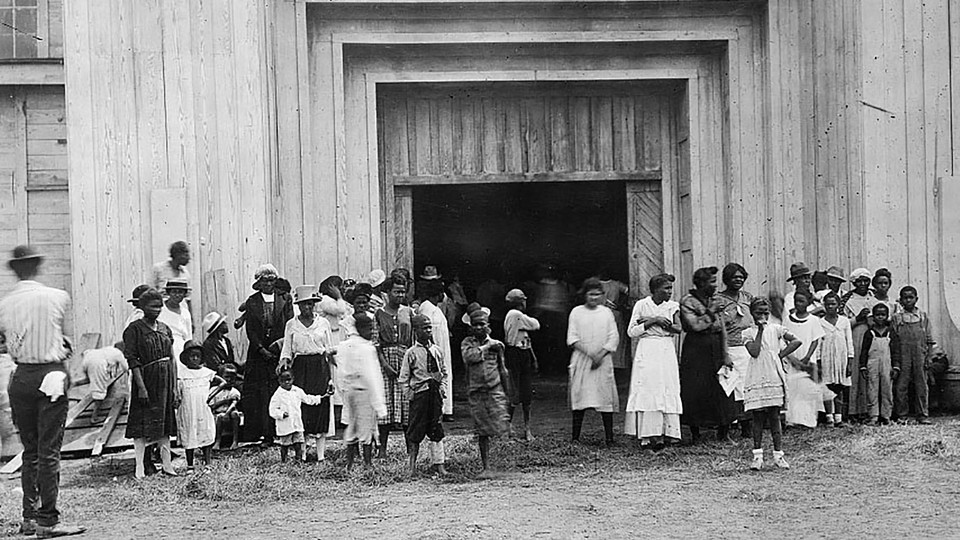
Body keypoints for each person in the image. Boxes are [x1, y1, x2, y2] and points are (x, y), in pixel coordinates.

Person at [0, 245, 86, 537]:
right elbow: (66, 343)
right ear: (37, 267)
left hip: (21, 375)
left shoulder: (5, 303)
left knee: (31, 451)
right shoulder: (57, 297)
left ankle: (29, 517)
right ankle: (48, 520)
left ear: (15, 270)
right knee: (49, 451)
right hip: (50, 373)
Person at [123, 288, 179, 479]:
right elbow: (133, 360)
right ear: (142, 307)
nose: (157, 310)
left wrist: (175, 387)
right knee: (142, 424)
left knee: (164, 423)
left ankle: (167, 465)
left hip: (165, 380)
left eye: (159, 306)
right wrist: (141, 387)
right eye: (152, 306)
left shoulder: (164, 328)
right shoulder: (134, 329)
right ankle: (139, 467)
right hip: (146, 378)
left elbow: (172, 358)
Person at [742, 297, 802, 470]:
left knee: (774, 416)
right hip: (757, 375)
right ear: (752, 313)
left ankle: (778, 455)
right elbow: (754, 352)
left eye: (765, 312)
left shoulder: (776, 329)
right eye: (758, 312)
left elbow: (796, 341)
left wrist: (780, 355)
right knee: (758, 417)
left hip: (773, 374)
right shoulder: (747, 332)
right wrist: (760, 330)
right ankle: (757, 456)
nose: (762, 316)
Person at [624, 273, 682, 448]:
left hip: (665, 348)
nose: (670, 292)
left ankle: (670, 433)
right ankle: (649, 435)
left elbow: (678, 328)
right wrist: (652, 321)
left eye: (671, 288)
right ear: (655, 289)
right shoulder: (642, 305)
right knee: (649, 388)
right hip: (647, 349)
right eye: (666, 288)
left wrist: (662, 323)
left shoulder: (672, 306)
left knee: (667, 386)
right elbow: (631, 332)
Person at [679, 267, 737, 444]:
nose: (715, 285)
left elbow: (723, 328)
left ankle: (724, 432)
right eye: (712, 282)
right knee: (695, 388)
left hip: (716, 345)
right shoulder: (687, 302)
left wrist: (726, 353)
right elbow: (695, 326)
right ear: (701, 283)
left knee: (722, 387)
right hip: (696, 348)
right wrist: (710, 310)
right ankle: (696, 434)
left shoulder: (716, 299)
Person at [279, 285, 336, 461]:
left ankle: (320, 456)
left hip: (319, 367)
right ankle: (302, 454)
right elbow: (287, 351)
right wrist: (284, 362)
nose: (307, 308)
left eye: (311, 304)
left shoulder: (323, 323)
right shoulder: (292, 324)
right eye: (304, 304)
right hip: (300, 367)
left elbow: (329, 352)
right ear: (299, 305)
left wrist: (331, 379)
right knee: (300, 408)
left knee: (320, 406)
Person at [241, 264, 293, 445]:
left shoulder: (285, 299)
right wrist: (261, 349)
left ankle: (284, 432)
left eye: (272, 280)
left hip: (279, 350)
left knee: (280, 390)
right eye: (265, 280)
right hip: (258, 353)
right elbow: (251, 331)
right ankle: (266, 434)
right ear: (259, 282)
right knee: (261, 394)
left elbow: (290, 325)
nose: (269, 283)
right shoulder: (252, 301)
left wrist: (279, 346)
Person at [567, 278, 620, 446]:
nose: (594, 298)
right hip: (583, 359)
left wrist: (601, 354)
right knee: (580, 397)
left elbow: (613, 336)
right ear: (584, 294)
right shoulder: (576, 312)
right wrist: (590, 354)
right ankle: (575, 438)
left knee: (604, 397)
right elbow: (572, 337)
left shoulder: (606, 312)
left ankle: (609, 438)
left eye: (598, 295)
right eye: (591, 294)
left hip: (603, 361)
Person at [461, 303, 511, 476]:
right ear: (471, 327)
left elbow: (503, 368)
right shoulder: (467, 343)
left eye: (483, 324)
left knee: (500, 425)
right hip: (476, 391)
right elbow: (469, 357)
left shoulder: (497, 345)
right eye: (476, 324)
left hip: (494, 389)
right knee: (482, 430)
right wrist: (486, 347)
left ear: (488, 326)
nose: (479, 327)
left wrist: (507, 391)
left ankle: (504, 465)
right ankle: (486, 466)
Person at [337, 312, 387, 470]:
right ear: (361, 328)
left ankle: (350, 464)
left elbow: (339, 369)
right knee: (366, 427)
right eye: (370, 329)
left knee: (352, 425)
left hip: (350, 391)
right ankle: (367, 464)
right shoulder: (367, 349)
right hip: (364, 390)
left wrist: (343, 389)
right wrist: (379, 404)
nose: (372, 333)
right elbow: (373, 377)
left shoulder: (346, 345)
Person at [399, 314, 447, 476]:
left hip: (435, 394)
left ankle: (439, 465)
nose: (428, 331)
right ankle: (412, 467)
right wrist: (410, 394)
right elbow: (403, 378)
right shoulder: (411, 353)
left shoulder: (437, 350)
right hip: (420, 395)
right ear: (416, 330)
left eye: (429, 327)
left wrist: (442, 389)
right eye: (424, 328)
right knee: (415, 430)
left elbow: (444, 372)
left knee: (436, 429)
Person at [374, 275, 414, 458]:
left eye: (403, 292)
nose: (400, 295)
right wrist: (385, 365)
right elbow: (375, 343)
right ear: (387, 292)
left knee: (407, 406)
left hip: (406, 359)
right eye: (396, 291)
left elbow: (414, 339)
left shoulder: (409, 312)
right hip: (386, 361)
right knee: (386, 407)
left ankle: (410, 449)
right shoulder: (379, 313)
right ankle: (382, 450)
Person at [891, 286, 942, 424]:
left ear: (916, 299)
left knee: (922, 385)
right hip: (903, 356)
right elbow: (894, 340)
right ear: (901, 300)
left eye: (911, 297)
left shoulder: (923, 316)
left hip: (920, 355)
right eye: (905, 298)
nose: (908, 300)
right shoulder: (897, 318)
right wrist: (896, 361)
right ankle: (902, 415)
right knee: (902, 385)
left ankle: (922, 414)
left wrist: (929, 357)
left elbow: (929, 340)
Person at [715, 263, 755, 436]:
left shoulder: (747, 297)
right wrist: (724, 353)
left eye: (741, 277)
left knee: (746, 387)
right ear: (726, 279)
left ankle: (746, 426)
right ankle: (725, 428)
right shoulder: (718, 299)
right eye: (734, 277)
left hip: (745, 348)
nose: (738, 280)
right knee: (728, 386)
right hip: (728, 348)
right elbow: (718, 326)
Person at [782, 289, 828, 428]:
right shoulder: (787, 320)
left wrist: (807, 357)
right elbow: (784, 339)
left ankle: (808, 420)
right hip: (792, 359)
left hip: (807, 359)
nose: (798, 304)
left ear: (808, 303)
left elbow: (815, 340)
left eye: (802, 301)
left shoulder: (813, 320)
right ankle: (792, 420)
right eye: (796, 301)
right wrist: (792, 358)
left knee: (807, 389)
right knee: (793, 388)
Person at [176, 340, 220, 472]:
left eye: (198, 356)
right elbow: (177, 391)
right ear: (186, 358)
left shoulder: (207, 372)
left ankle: (207, 463)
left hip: (203, 408)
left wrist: (211, 397)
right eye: (192, 356)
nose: (195, 359)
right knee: (189, 434)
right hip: (188, 409)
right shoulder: (181, 374)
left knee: (205, 432)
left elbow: (223, 382)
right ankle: (190, 465)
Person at [503, 288, 540, 441]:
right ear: (520, 302)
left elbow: (526, 337)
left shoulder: (517, 317)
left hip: (522, 352)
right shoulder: (516, 315)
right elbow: (535, 324)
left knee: (525, 392)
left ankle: (526, 429)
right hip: (515, 353)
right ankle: (508, 428)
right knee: (514, 392)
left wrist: (533, 357)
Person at [842, 268, 878, 421]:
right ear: (854, 283)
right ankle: (853, 411)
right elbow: (841, 324)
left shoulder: (873, 299)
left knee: (869, 371)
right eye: (859, 281)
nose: (863, 284)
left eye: (866, 281)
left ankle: (867, 410)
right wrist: (857, 318)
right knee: (856, 372)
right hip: (856, 335)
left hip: (872, 336)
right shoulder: (848, 300)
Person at [269, 370, 328, 463]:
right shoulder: (278, 395)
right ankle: (283, 461)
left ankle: (299, 460)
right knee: (285, 444)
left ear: (293, 379)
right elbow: (272, 410)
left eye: (289, 379)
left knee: (298, 443)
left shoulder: (297, 391)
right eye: (283, 380)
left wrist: (321, 397)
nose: (287, 382)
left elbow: (307, 399)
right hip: (285, 424)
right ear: (279, 381)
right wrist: (281, 414)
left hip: (296, 423)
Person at [417, 279, 454, 421]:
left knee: (444, 374)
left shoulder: (435, 308)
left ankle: (445, 409)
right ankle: (438, 410)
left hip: (442, 348)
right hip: (434, 348)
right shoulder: (426, 308)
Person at [859, 303, 899, 425]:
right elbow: (864, 351)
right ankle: (873, 416)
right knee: (872, 389)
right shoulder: (869, 333)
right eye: (877, 315)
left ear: (887, 316)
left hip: (887, 364)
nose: (880, 317)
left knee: (887, 389)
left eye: (883, 315)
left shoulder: (890, 332)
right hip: (872, 364)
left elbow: (896, 351)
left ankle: (886, 415)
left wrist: (896, 366)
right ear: (873, 317)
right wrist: (863, 366)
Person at [818, 292, 854, 425]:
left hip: (841, 359)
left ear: (838, 305)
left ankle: (839, 417)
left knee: (839, 387)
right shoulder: (820, 322)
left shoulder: (844, 321)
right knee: (828, 387)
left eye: (833, 304)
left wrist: (850, 361)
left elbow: (849, 342)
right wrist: (819, 362)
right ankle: (829, 417)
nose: (830, 307)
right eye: (827, 304)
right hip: (826, 358)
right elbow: (818, 344)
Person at [317, 276, 349, 415]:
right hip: (330, 338)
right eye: (338, 286)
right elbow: (341, 310)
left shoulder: (331, 300)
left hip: (337, 336)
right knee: (333, 373)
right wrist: (339, 296)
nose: (341, 289)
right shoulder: (324, 300)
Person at [76, 342, 129, 425]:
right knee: (100, 391)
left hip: (88, 358)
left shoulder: (108, 349)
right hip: (98, 363)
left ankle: (78, 385)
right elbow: (126, 368)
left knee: (93, 382)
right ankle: (94, 417)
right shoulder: (119, 354)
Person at [208, 364, 242, 450]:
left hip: (229, 414)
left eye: (232, 378)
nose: (229, 380)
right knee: (219, 417)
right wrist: (225, 401)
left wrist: (227, 414)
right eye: (226, 377)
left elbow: (233, 404)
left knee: (235, 414)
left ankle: (235, 441)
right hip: (216, 414)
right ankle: (217, 441)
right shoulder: (214, 390)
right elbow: (211, 406)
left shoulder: (234, 391)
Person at [157, 279, 193, 361]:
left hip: (180, 348)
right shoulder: (160, 309)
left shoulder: (185, 312)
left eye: (180, 292)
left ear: (184, 294)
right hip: (163, 346)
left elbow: (188, 337)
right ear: (169, 293)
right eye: (174, 292)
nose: (177, 295)